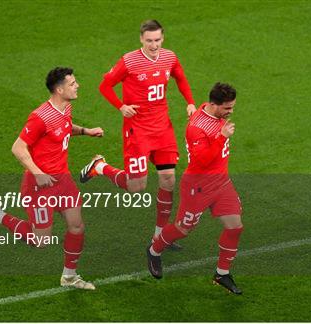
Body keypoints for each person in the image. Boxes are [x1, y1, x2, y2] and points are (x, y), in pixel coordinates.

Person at [0, 67, 104, 290]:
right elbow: (18, 148)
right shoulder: (40, 116)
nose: (77, 85)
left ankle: (69, 277)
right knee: (40, 241)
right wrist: (38, 173)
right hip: (39, 186)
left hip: (62, 180)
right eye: (72, 83)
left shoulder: (66, 108)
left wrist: (86, 131)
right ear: (59, 89)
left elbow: (64, 127)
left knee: (77, 225)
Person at [79, 19, 196, 247]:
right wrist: (121, 106)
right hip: (137, 130)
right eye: (149, 41)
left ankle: (160, 235)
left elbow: (180, 78)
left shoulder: (170, 57)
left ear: (163, 38)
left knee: (168, 180)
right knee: (137, 186)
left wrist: (190, 102)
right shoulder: (129, 61)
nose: (154, 45)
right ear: (141, 39)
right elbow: (105, 86)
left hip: (162, 128)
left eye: (158, 40)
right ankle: (100, 166)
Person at [146, 83, 244, 294]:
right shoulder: (197, 128)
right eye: (227, 108)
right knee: (183, 229)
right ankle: (154, 250)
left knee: (235, 227)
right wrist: (222, 137)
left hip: (222, 183)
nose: (231, 112)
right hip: (198, 187)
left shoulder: (212, 114)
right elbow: (201, 161)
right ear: (214, 105)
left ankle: (222, 274)